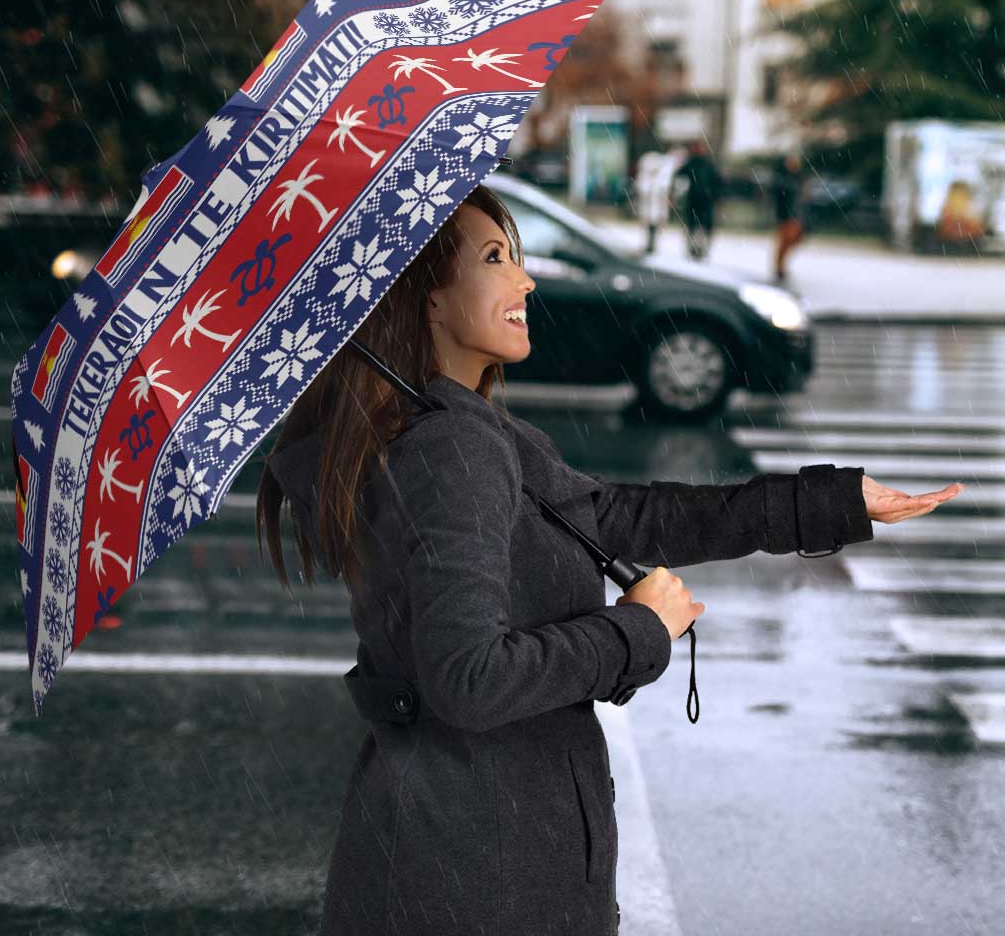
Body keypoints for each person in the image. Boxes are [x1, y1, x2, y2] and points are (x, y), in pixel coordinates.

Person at [256, 183, 960, 936]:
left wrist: (831, 503)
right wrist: (636, 631)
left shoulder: (457, 429)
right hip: (479, 874)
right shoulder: (450, 448)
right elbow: (468, 680)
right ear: (426, 298)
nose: (525, 280)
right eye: (495, 258)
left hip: (459, 854)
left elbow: (621, 517)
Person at [673, 138, 723, 261]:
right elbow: (679, 176)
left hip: (704, 200)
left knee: (701, 227)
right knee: (694, 226)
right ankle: (694, 249)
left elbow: (717, 182)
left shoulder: (706, 164)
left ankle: (700, 249)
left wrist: (716, 196)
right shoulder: (693, 163)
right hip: (696, 200)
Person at [771, 151, 807, 282]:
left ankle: (780, 266)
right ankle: (779, 267)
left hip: (795, 215)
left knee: (793, 240)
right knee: (785, 241)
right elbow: (780, 198)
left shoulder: (798, 178)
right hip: (786, 215)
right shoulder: (783, 179)